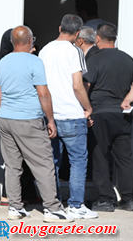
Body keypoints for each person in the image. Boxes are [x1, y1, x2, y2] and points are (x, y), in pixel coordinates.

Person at [0, 26, 74, 223]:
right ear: (31, 41)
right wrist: (50, 120)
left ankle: (15, 207)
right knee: (44, 164)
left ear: (13, 42)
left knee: (13, 166)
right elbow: (43, 93)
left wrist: (7, 113)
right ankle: (53, 209)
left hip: (5, 119)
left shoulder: (2, 63)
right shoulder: (35, 61)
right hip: (28, 118)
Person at [38, 14, 97, 219]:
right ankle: (75, 205)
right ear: (78, 33)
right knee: (78, 161)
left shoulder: (44, 50)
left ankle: (53, 205)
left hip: (50, 115)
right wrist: (87, 108)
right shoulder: (75, 51)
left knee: (52, 161)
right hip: (72, 114)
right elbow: (77, 85)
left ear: (60, 27)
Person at [84, 23, 133, 212]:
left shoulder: (95, 60)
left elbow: (85, 86)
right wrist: (127, 100)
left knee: (100, 156)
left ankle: (105, 200)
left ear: (97, 39)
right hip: (123, 115)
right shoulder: (129, 59)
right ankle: (129, 199)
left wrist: (86, 109)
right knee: (125, 158)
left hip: (100, 113)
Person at [0, 29, 40, 208]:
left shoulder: (3, 63)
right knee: (28, 159)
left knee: (13, 161)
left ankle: (13, 197)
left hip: (6, 116)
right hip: (25, 116)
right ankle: (18, 196)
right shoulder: (28, 62)